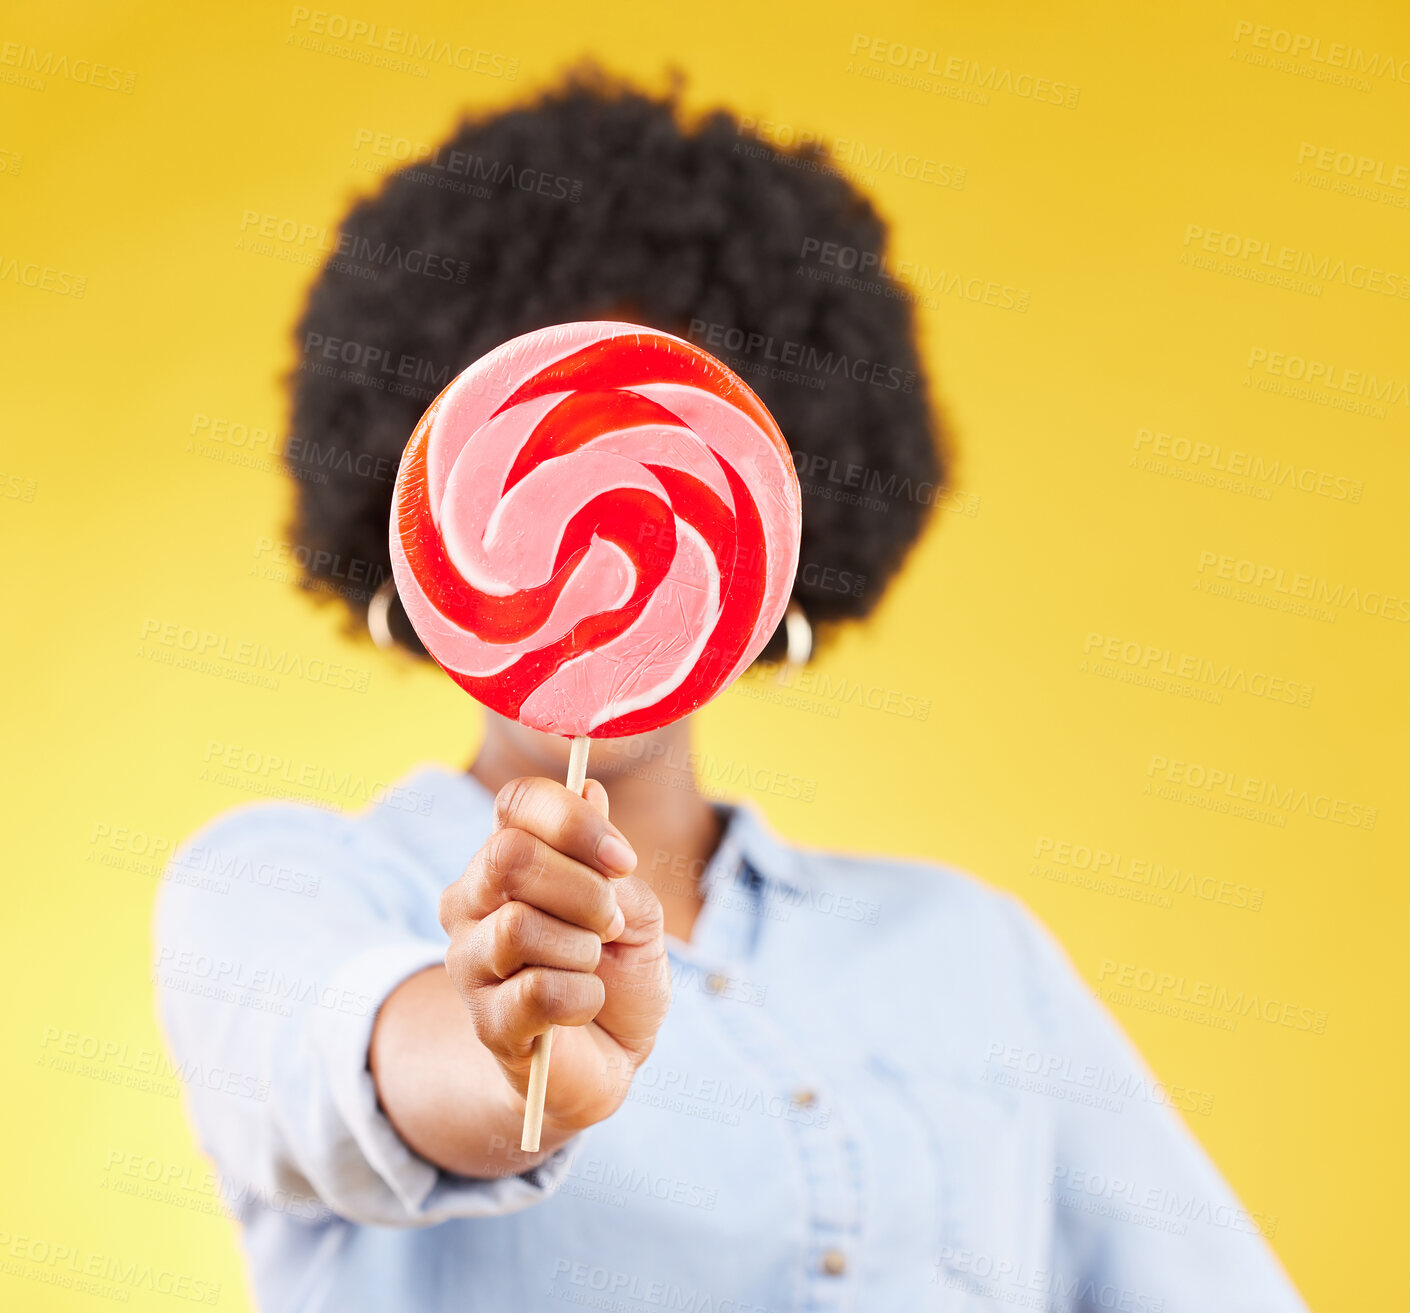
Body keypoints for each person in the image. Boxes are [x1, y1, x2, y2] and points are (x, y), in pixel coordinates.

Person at [155, 69, 1305, 1311]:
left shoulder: (973, 953)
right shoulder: (276, 884)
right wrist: (509, 1064)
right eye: (538, 465)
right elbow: (375, 1065)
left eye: (640, 454)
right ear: (413, 511)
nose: (593, 534)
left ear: (770, 512)